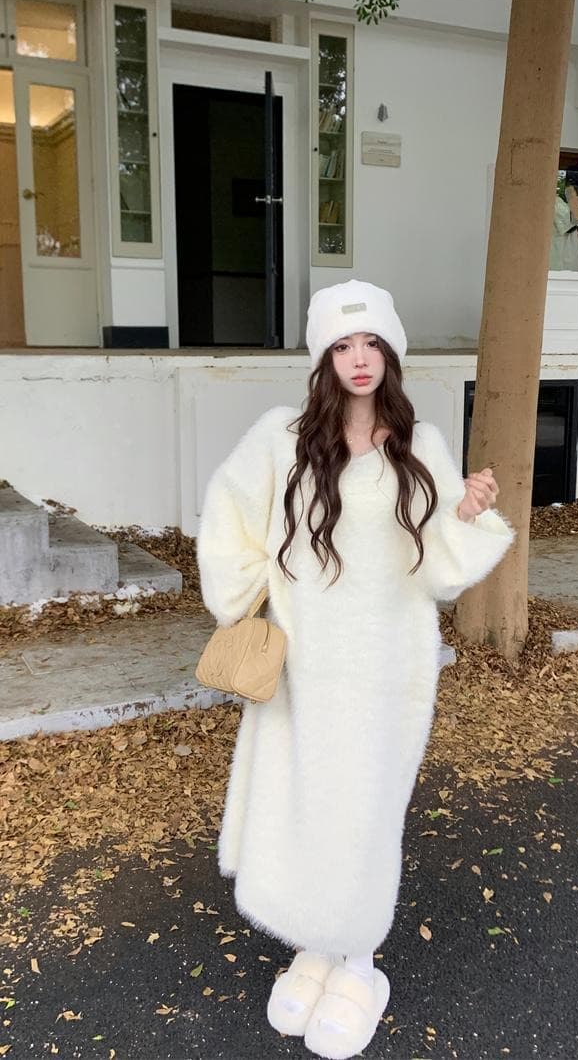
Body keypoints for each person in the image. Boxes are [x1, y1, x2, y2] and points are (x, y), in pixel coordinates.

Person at [196, 279, 514, 1059]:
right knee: (304, 800)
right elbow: (227, 519)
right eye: (342, 344)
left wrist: (464, 514)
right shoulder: (281, 438)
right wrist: (257, 591)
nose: (359, 358)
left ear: (391, 351)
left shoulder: (420, 445)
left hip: (386, 665)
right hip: (303, 662)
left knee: (366, 811)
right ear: (323, 356)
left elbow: (437, 573)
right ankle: (316, 943)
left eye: (371, 341)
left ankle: (360, 964)